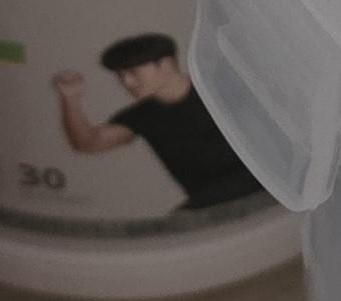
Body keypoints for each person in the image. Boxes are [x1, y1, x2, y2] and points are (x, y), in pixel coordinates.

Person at [51, 32, 264, 212]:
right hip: (209, 207)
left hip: (262, 190)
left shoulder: (218, 85)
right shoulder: (141, 115)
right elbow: (88, 143)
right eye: (120, 75)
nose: (126, 82)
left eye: (132, 72)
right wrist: (71, 98)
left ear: (165, 64)